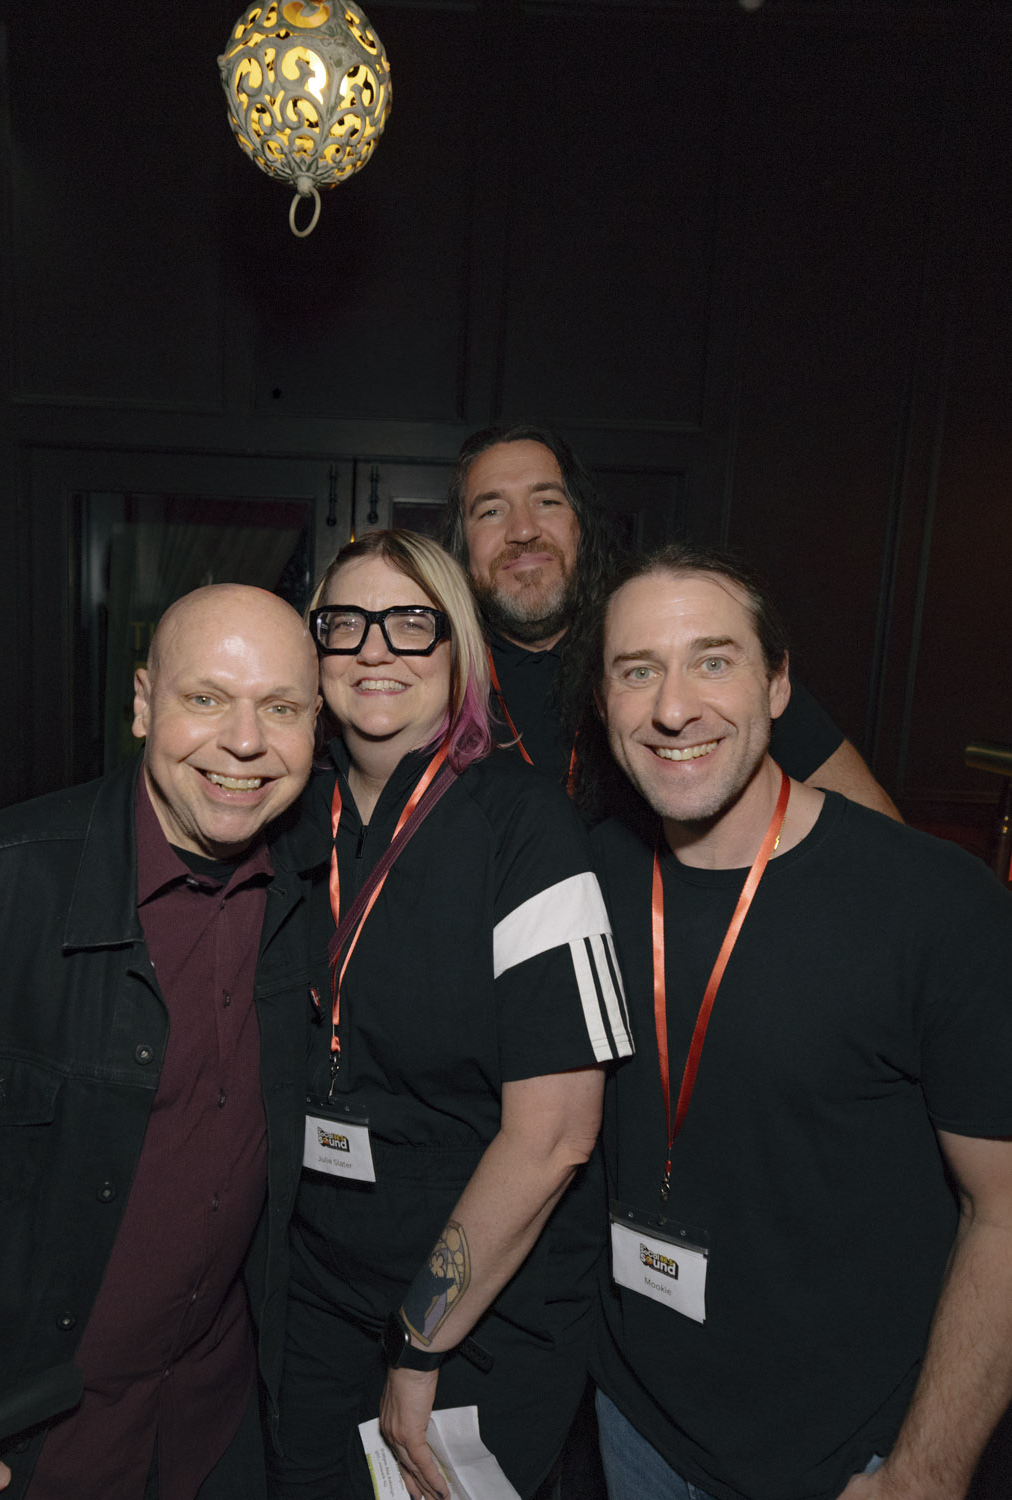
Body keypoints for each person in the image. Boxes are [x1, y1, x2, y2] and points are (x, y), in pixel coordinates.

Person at [570, 542, 1012, 1500]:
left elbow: (1005, 1209)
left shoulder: (934, 904)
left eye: (712, 661)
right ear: (602, 704)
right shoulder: (585, 880)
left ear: (778, 686)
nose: (673, 708)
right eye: (636, 671)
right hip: (636, 1423)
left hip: (850, 1456)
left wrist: (923, 1474)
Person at [0, 585, 324, 1500]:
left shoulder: (312, 895)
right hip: (5, 1456)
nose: (245, 742)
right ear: (141, 703)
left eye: (280, 708)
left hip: (214, 1437)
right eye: (205, 698)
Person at [267, 530, 633, 1500]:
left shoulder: (528, 827)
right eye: (345, 623)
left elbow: (556, 1135)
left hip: (483, 1311)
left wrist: (419, 1341)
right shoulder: (286, 818)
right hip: (316, 1289)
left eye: (409, 622)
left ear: (457, 649)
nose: (374, 648)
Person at [442, 422, 901, 817]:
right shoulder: (434, 674)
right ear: (462, 545)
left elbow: (876, 827)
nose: (523, 529)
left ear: (582, 525)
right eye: (491, 510)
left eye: (547, 501)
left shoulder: (690, 648)